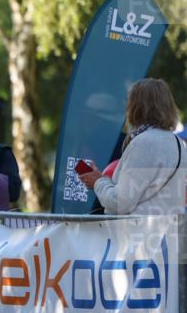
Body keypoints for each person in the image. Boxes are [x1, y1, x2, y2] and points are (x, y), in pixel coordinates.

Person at [78, 78, 186, 216]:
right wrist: (102, 180)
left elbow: (120, 203)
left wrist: (98, 182)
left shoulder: (144, 143)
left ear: (136, 107)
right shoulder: (176, 142)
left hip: (137, 233)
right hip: (167, 232)